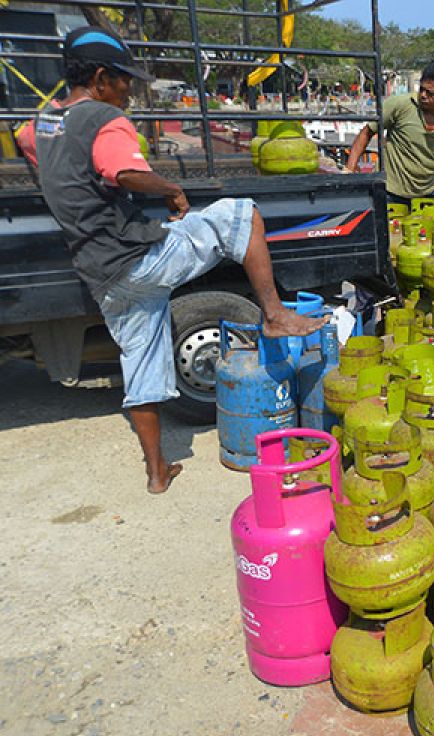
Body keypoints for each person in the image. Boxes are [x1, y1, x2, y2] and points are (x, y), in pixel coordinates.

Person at [23, 27, 321, 494]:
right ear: (101, 78)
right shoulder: (105, 120)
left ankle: (158, 472)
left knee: (140, 363)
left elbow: (37, 151)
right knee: (242, 215)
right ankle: (275, 313)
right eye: (124, 81)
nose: (129, 91)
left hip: (101, 273)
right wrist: (172, 189)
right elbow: (123, 170)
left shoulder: (42, 123)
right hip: (138, 258)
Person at [345, 61, 434, 223]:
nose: (423, 95)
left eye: (430, 93)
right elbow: (367, 132)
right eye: (421, 89)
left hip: (426, 194)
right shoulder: (400, 105)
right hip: (390, 191)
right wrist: (349, 170)